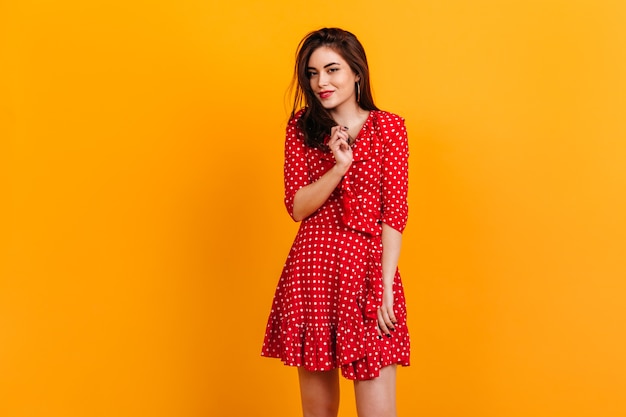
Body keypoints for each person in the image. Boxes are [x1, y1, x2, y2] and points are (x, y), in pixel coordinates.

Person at [261, 27, 410, 417]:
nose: (321, 82)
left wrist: (387, 286)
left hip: (368, 270)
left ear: (356, 72)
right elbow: (297, 207)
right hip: (314, 270)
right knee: (319, 413)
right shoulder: (301, 128)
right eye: (312, 73)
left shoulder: (389, 128)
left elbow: (394, 214)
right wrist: (338, 167)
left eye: (332, 70)